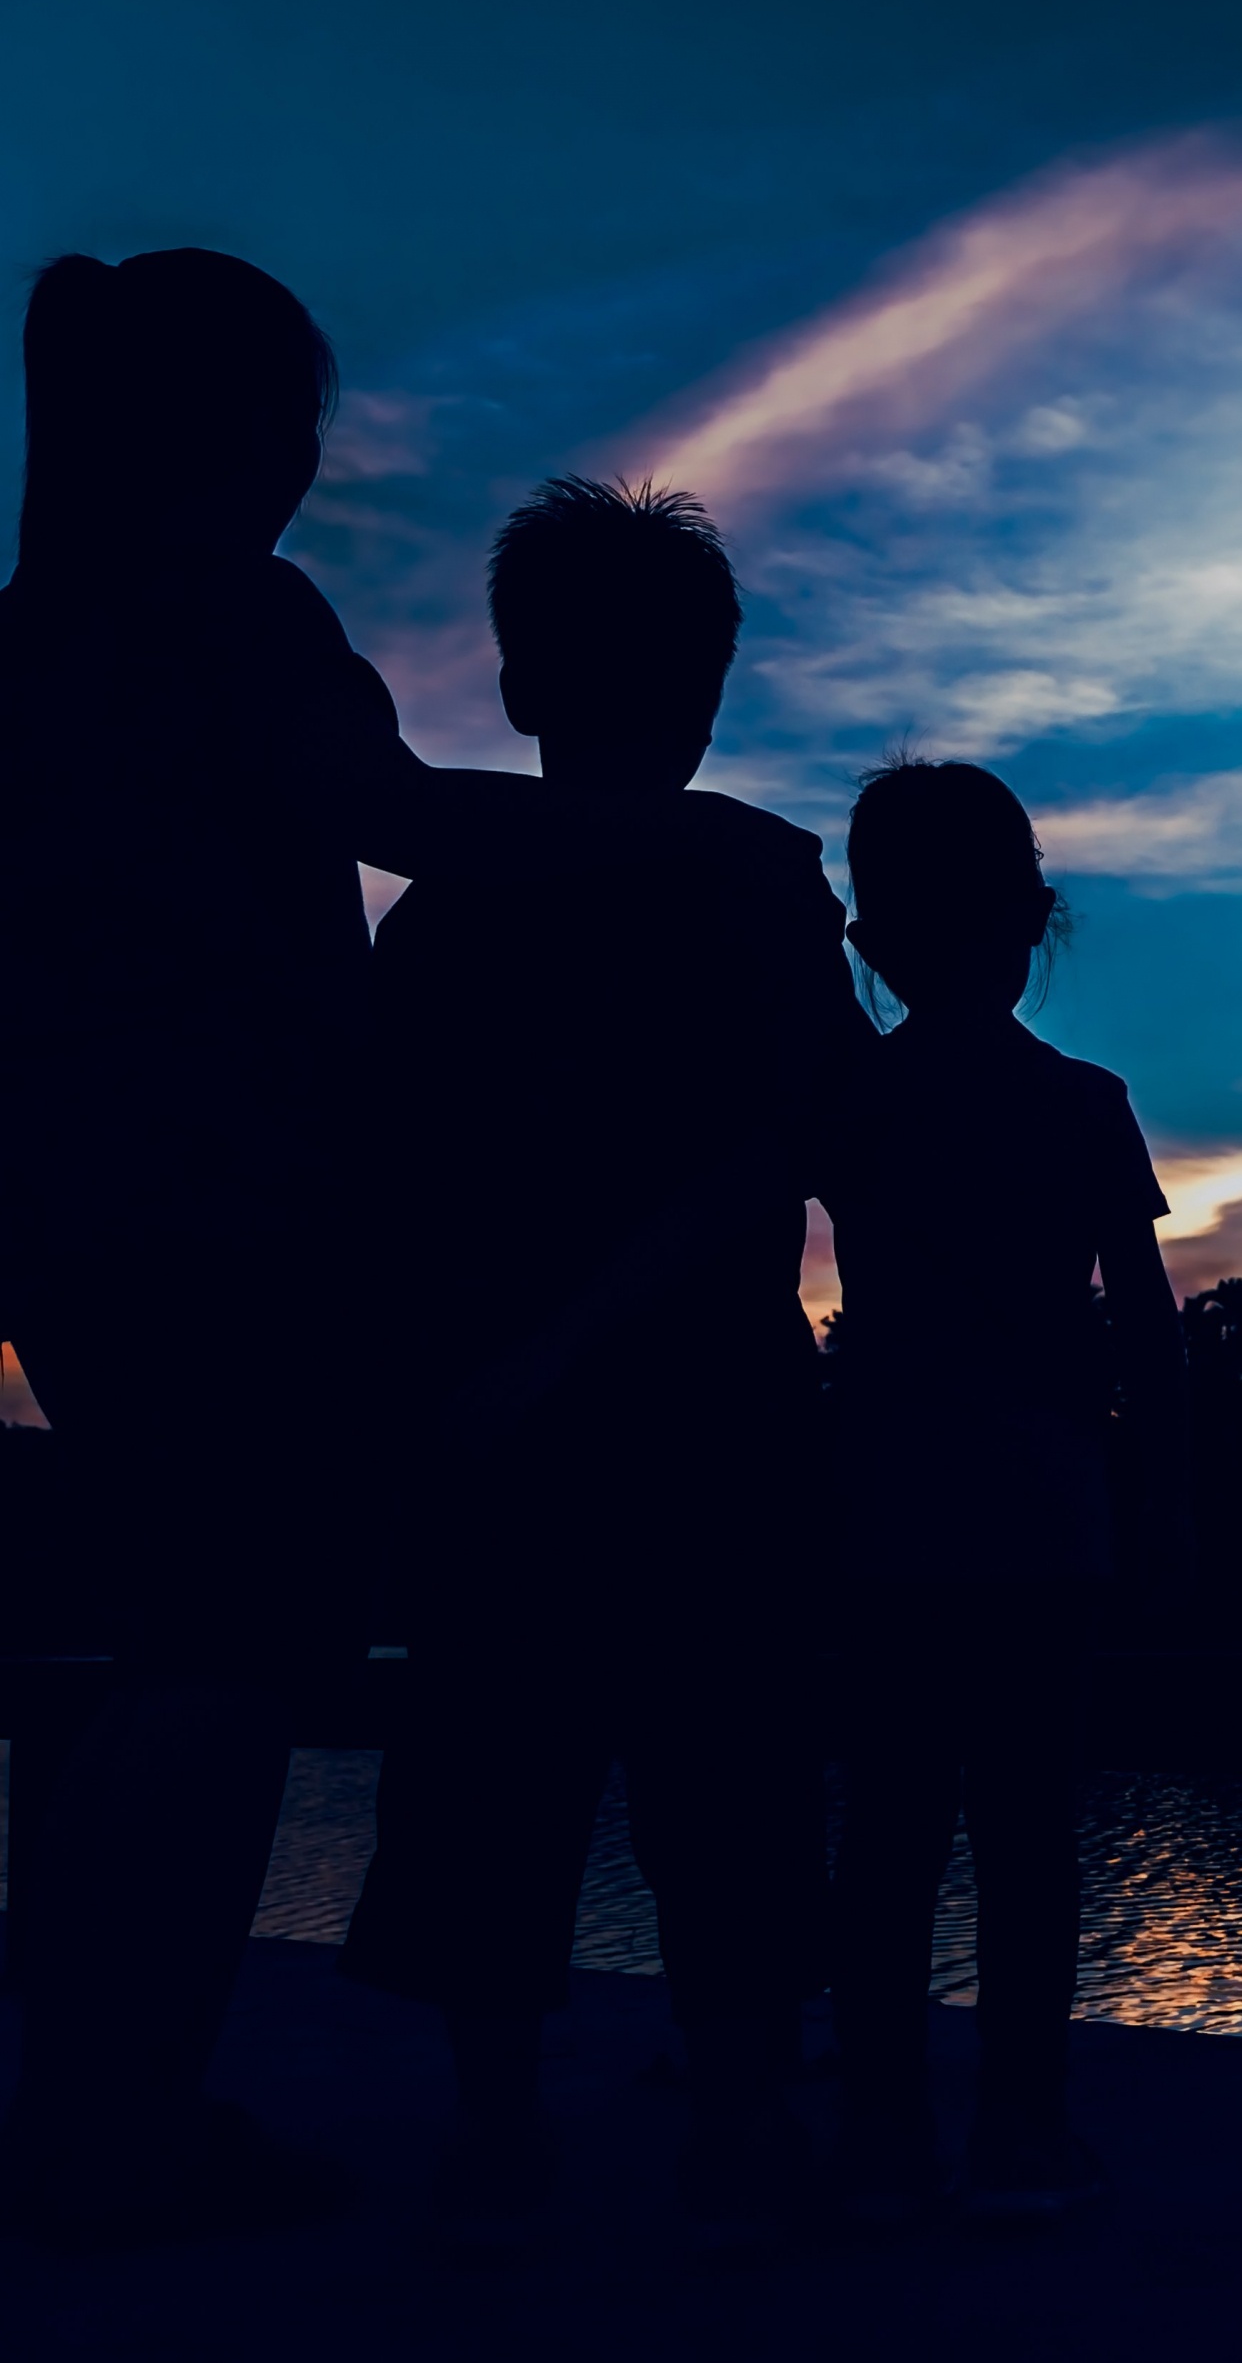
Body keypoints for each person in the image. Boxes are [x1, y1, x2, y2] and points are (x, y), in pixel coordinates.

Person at [0, 257, 795, 2247]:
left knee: (186, 1656)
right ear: (248, 439)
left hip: (89, 1216)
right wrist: (703, 839)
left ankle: (103, 2103)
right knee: (222, 1658)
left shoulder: (41, 636)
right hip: (223, 1221)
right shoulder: (231, 616)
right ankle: (116, 2125)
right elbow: (394, 818)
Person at [341, 475, 870, 2250]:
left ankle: (500, 2136)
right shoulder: (757, 885)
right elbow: (801, 1139)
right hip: (711, 1414)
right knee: (730, 1780)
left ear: (516, 688)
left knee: (491, 1778)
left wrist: (469, 1371)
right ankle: (737, 2124)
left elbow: (379, 1181)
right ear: (706, 692)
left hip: (496, 1421)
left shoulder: (438, 920)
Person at [817, 756, 1188, 2225]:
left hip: (887, 1513)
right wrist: (1163, 1510)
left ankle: (880, 2134)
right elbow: (1149, 1335)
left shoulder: (852, 1101)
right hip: (1046, 1513)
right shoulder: (1084, 1106)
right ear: (1032, 918)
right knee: (1029, 1839)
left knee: (890, 1838)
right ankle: (1022, 2132)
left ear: (873, 936)